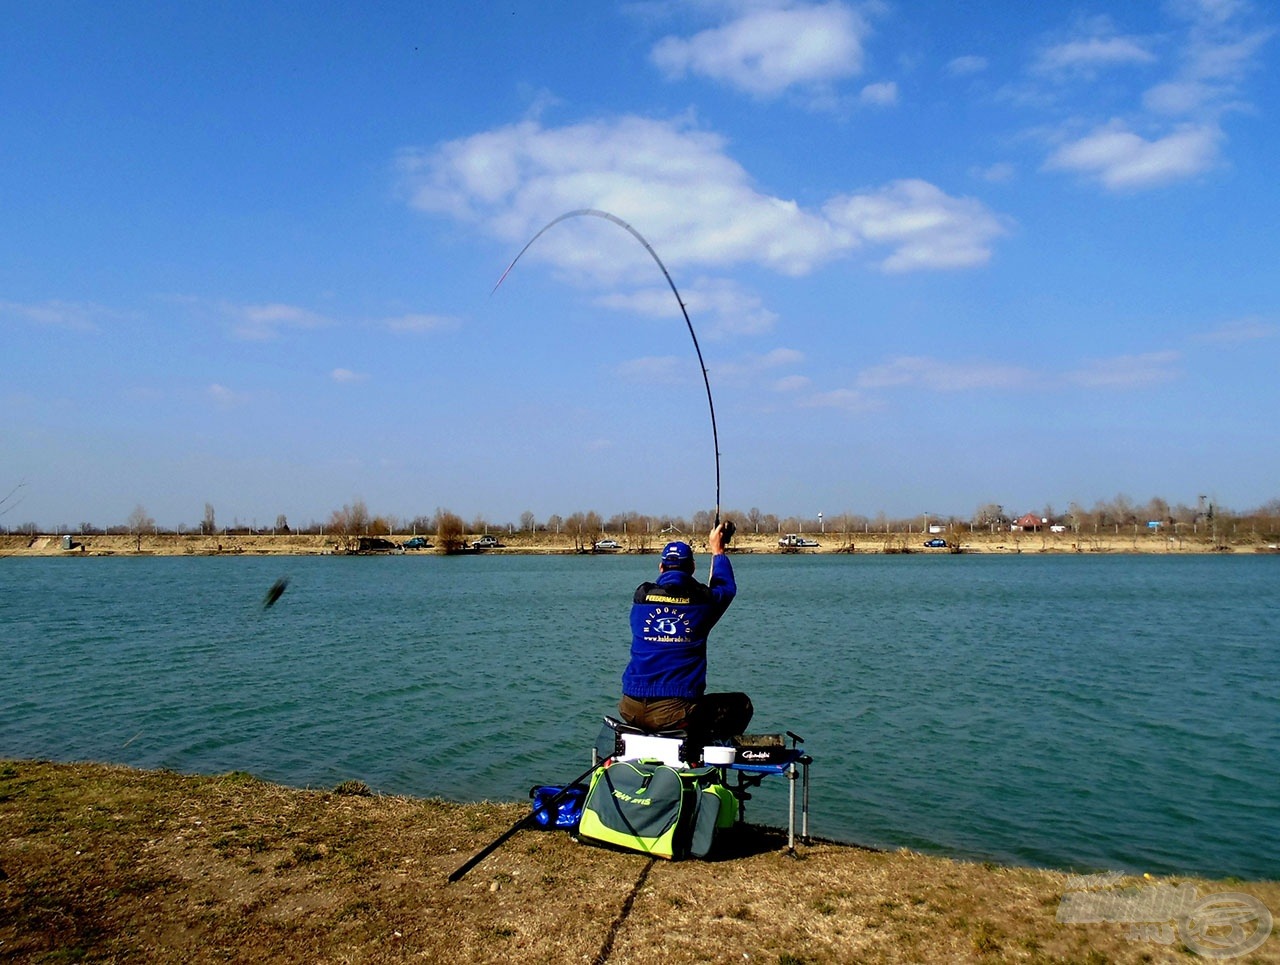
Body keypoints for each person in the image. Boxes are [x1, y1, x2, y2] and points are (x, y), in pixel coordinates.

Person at [618, 521, 753, 742]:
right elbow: (724, 589)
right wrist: (717, 550)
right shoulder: (701, 603)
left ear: (661, 568)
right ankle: (699, 754)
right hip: (672, 713)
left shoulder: (641, 597)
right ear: (691, 568)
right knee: (741, 705)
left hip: (629, 708)